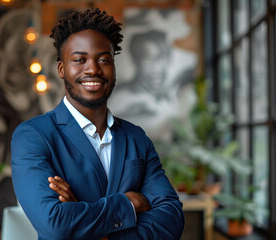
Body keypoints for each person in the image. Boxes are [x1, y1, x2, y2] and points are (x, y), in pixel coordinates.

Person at [11, 8, 184, 240]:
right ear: (62, 69)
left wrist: (90, 228)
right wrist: (128, 204)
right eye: (79, 60)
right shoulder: (33, 136)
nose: (92, 69)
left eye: (104, 59)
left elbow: (171, 221)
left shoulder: (136, 138)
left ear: (113, 68)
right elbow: (55, 224)